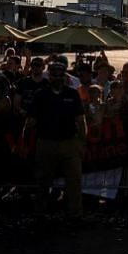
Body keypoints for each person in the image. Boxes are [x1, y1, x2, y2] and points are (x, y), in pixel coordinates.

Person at [25, 62, 87, 218]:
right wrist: (26, 136)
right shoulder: (40, 95)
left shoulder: (72, 94)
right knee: (43, 180)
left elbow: (81, 121)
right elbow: (30, 120)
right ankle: (40, 211)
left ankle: (76, 213)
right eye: (54, 75)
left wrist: (82, 143)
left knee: (74, 180)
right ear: (49, 76)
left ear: (65, 76)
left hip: (69, 142)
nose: (57, 78)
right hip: (46, 142)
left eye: (60, 75)